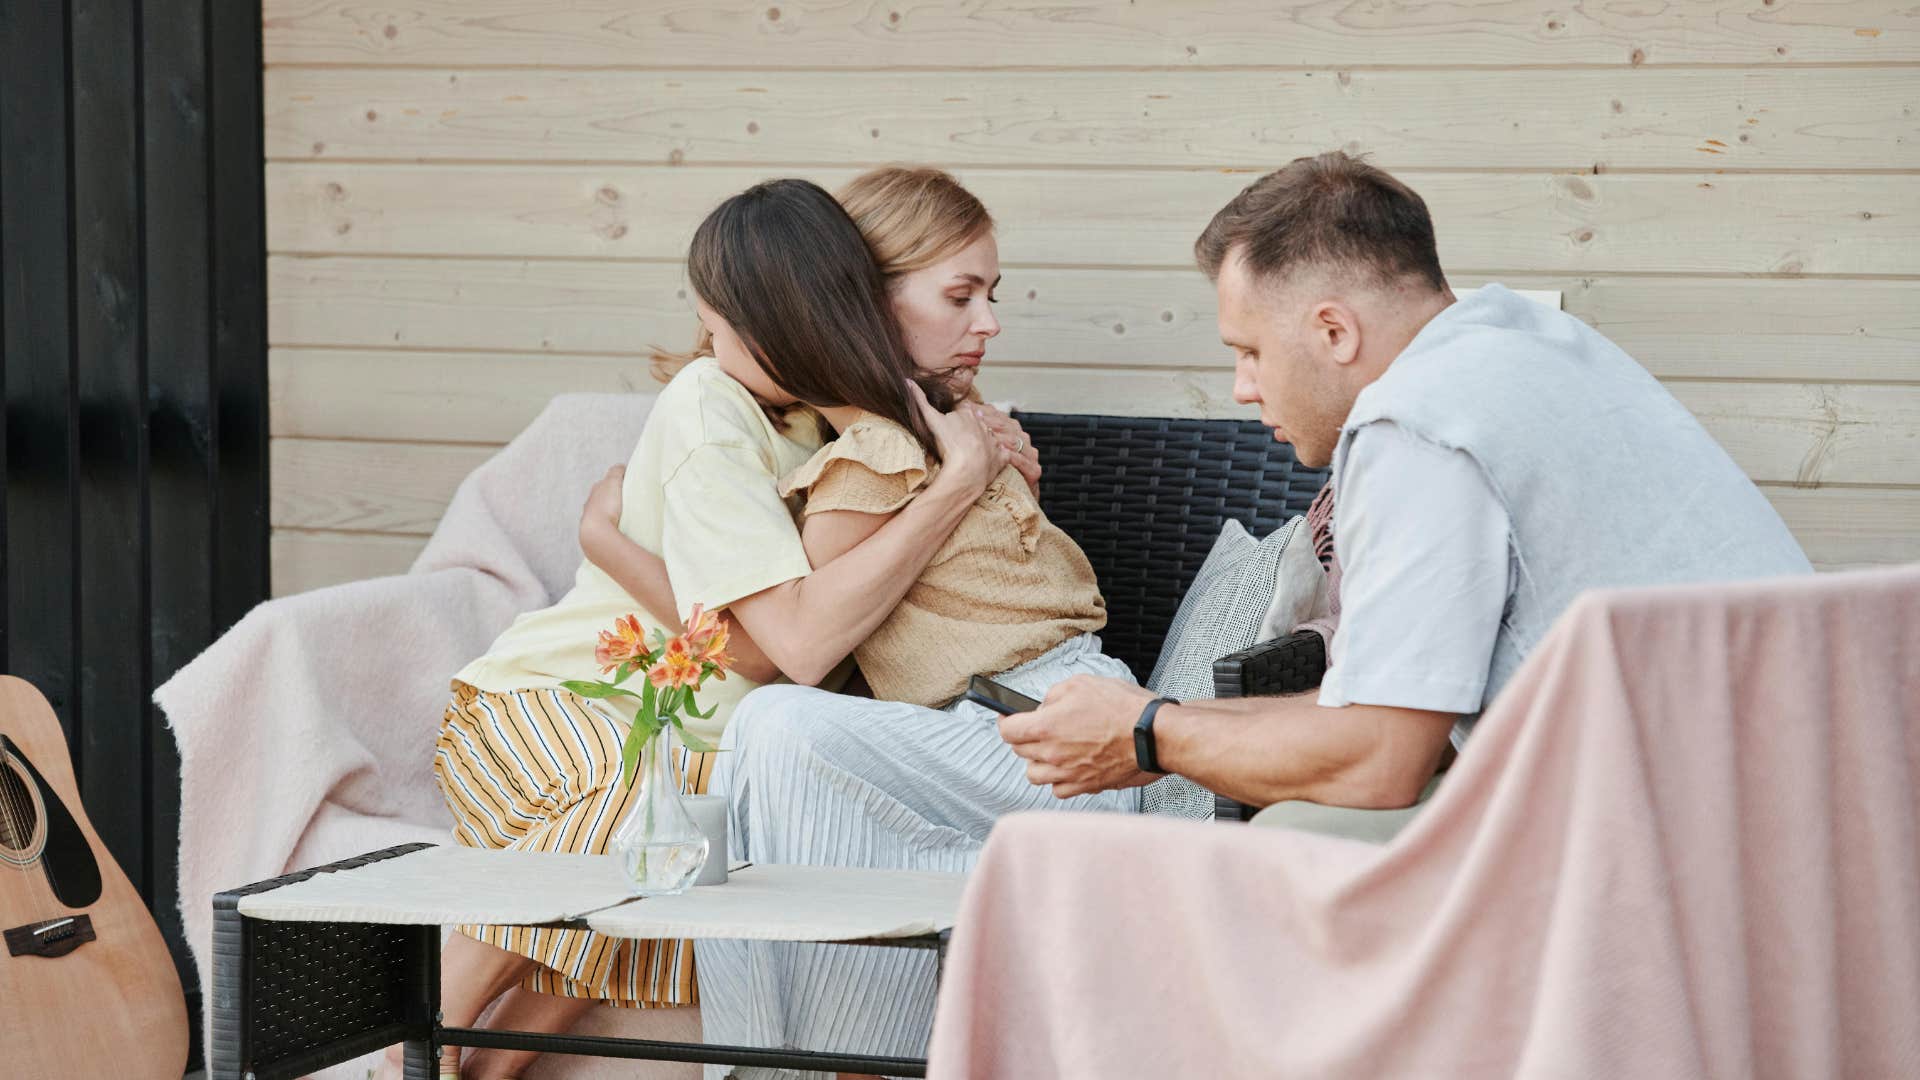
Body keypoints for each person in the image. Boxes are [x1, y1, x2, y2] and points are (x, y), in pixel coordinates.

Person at [998, 150, 1813, 837]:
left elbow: (1382, 762)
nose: (1243, 388)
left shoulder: (1417, 426)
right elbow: (1391, 711)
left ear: (1333, 331)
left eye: (1249, 352)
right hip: (1781, 793)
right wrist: (1164, 718)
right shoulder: (1531, 347)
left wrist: (1149, 736)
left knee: (1290, 843)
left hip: (1670, 830)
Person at [419, 177, 1013, 1080]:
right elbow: (780, 649)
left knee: (697, 840)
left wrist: (978, 456)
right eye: (961, 296)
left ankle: (482, 1072)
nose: (710, 341)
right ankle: (413, 1042)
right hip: (552, 705)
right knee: (647, 821)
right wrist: (957, 483)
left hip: (692, 744)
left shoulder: (847, 424)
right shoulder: (712, 408)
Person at [583, 168, 1144, 1079]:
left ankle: (778, 1063)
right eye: (960, 296)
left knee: (776, 731)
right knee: (800, 779)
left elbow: (786, 646)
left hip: (1052, 741)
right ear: (860, 302)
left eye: (989, 296)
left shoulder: (893, 447)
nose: (989, 323)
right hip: (1004, 737)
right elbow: (798, 632)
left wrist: (612, 546)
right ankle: (829, 1055)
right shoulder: (907, 439)